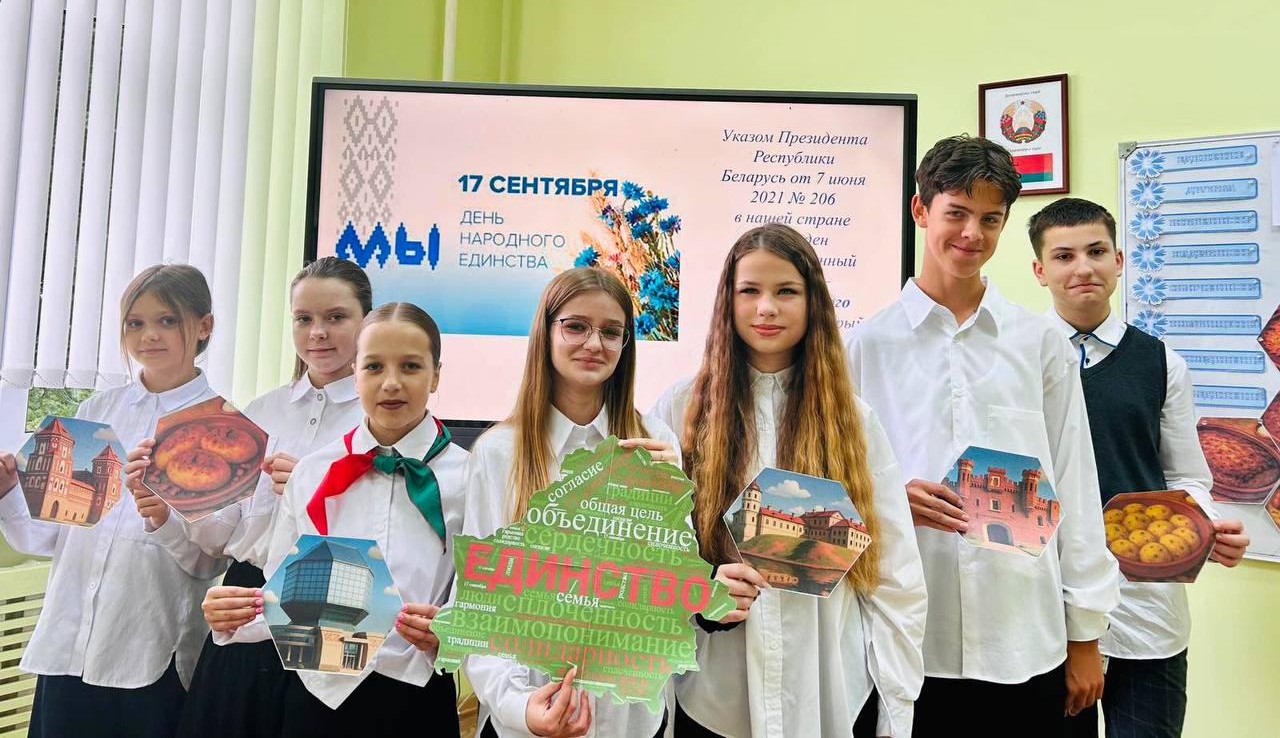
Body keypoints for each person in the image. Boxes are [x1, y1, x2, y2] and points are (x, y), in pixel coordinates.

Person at [844, 135, 1121, 737]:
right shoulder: (864, 347)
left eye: (990, 219)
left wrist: (1085, 634)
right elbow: (836, 485)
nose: (972, 234)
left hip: (1026, 637)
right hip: (909, 639)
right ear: (920, 210)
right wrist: (888, 500)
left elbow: (1075, 481)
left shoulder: (1038, 343)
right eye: (957, 213)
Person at [653, 224, 927, 737]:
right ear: (727, 300)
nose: (766, 308)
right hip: (715, 695)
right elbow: (651, 560)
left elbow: (896, 578)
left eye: (785, 292)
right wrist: (700, 589)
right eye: (749, 291)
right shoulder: (679, 410)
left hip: (826, 687)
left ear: (812, 301)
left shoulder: (853, 422)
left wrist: (897, 711)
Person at [1028, 197, 1250, 738]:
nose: (1083, 268)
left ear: (1120, 260)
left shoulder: (1161, 362)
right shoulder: (1016, 357)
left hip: (1147, 611)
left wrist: (1204, 527)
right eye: (1064, 256)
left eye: (1096, 251)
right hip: (1046, 608)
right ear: (1039, 270)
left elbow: (1187, 476)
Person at [205, 302, 468, 736]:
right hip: (317, 694)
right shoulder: (312, 472)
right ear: (355, 372)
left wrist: (454, 630)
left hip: (416, 694)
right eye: (374, 366)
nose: (391, 383)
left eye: (411, 366)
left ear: (436, 375)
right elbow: (284, 588)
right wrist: (235, 615)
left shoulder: (471, 477)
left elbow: (481, 599)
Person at [134, 257, 371, 737]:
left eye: (336, 317)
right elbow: (225, 535)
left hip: (334, 595)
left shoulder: (378, 418)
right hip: (246, 596)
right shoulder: (263, 410)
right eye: (303, 318)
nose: (317, 332)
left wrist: (314, 488)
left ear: (367, 320)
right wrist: (172, 504)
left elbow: (390, 531)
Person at [0, 264, 225, 737]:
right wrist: (8, 496)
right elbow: (51, 537)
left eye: (167, 320)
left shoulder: (221, 428)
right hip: (68, 644)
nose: (149, 335)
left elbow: (210, 561)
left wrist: (162, 518)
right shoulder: (94, 411)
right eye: (135, 322)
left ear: (204, 325)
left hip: (149, 652)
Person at [464, 267, 680, 738]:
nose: (594, 344)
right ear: (545, 332)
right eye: (576, 326)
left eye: (611, 332)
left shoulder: (657, 443)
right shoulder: (498, 453)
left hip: (629, 720)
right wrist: (520, 707)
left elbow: (669, 596)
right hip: (527, 714)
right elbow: (480, 605)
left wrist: (669, 508)